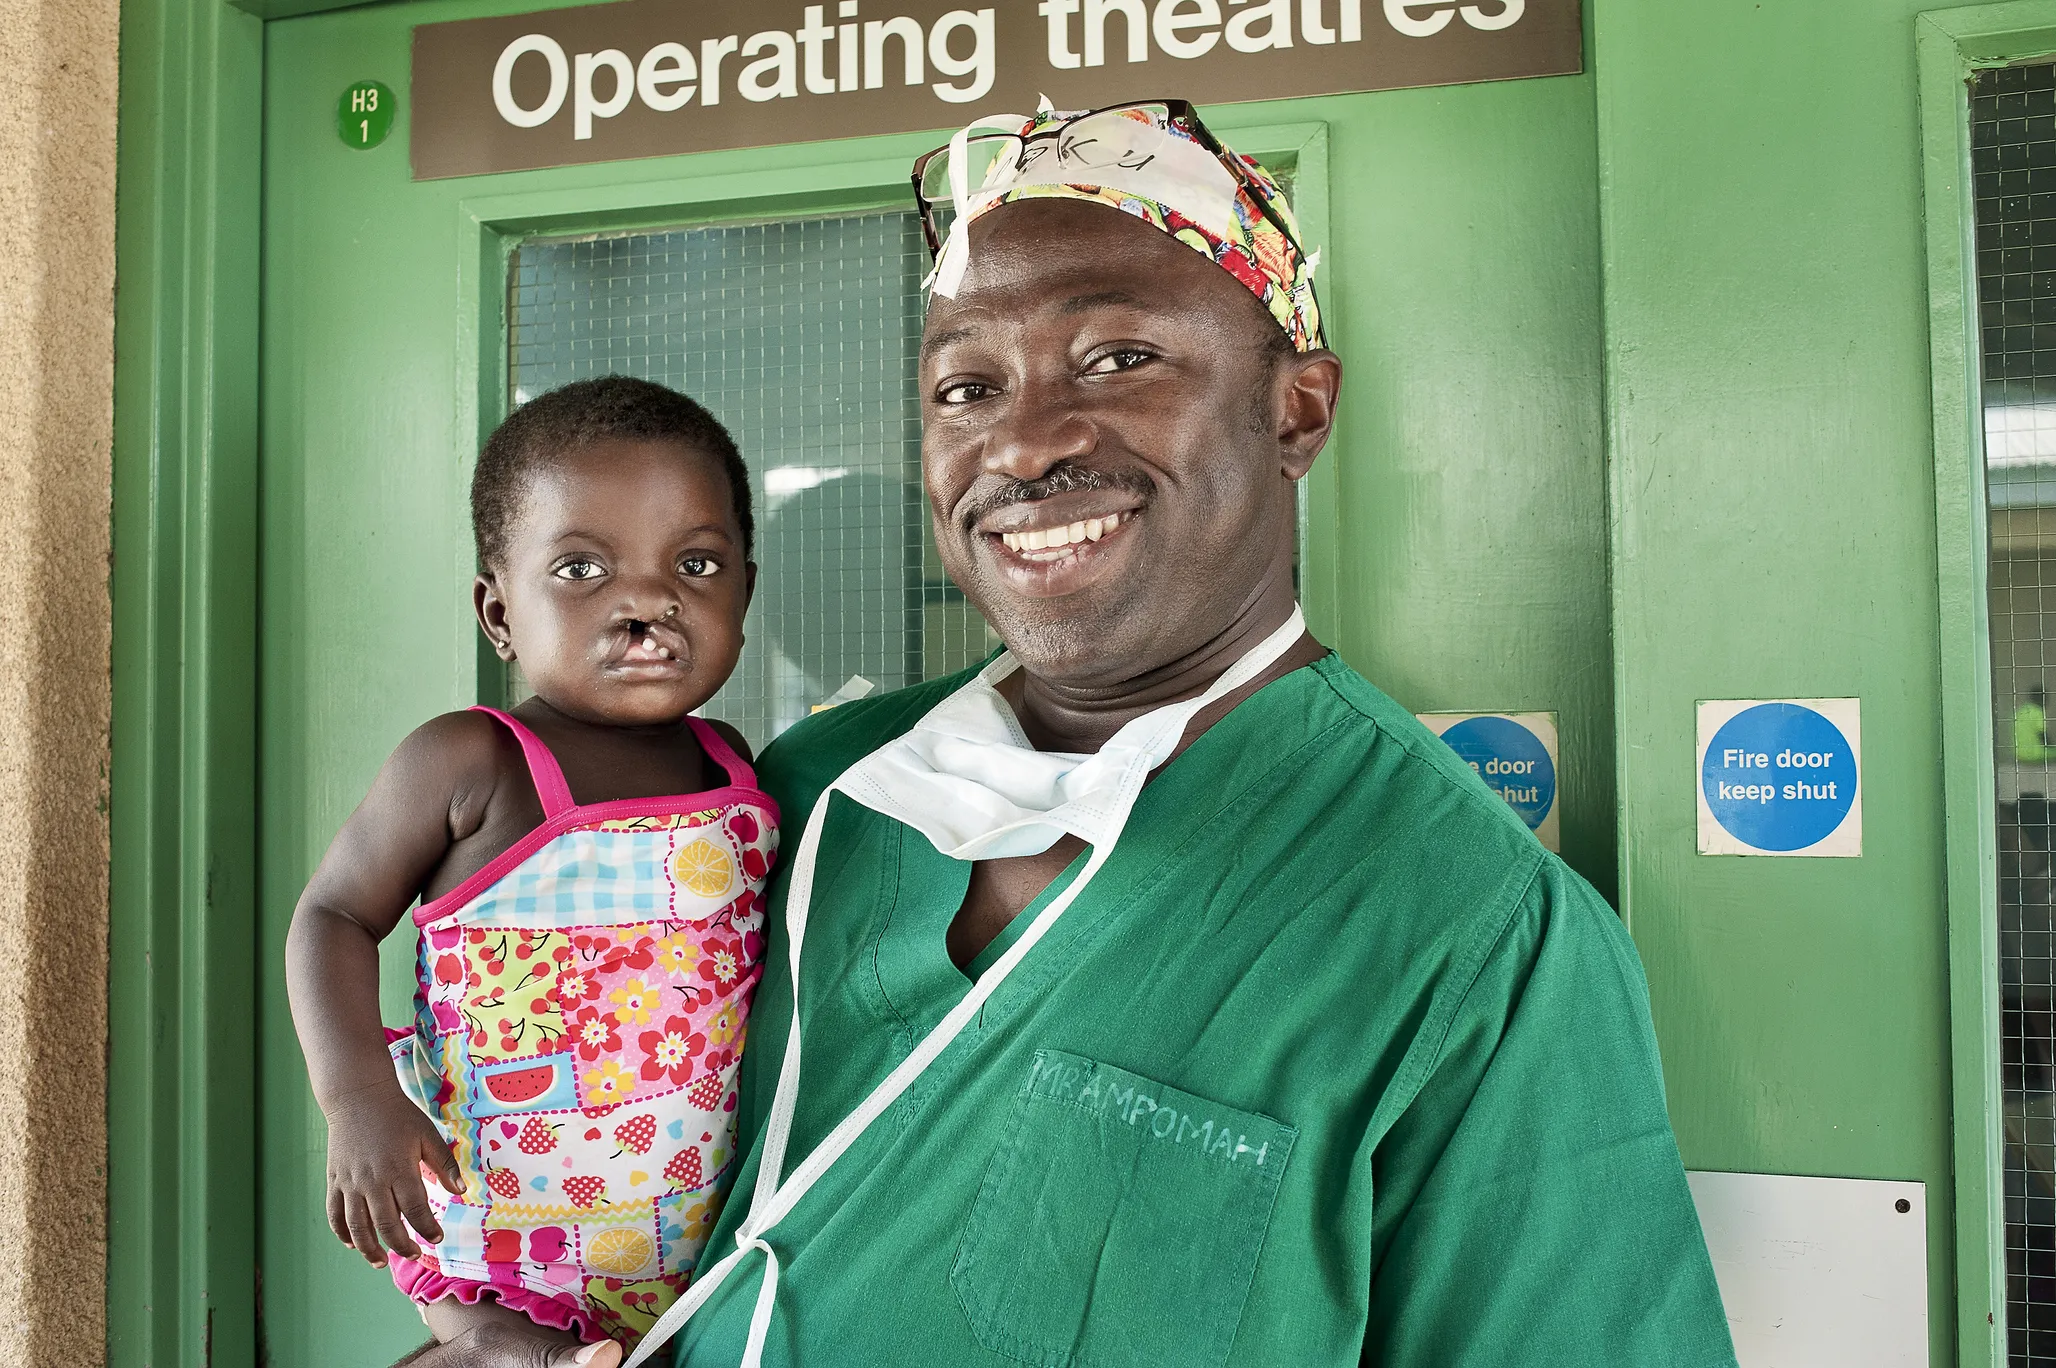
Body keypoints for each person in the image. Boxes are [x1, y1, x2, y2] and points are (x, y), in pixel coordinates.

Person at [632, 102, 1736, 1367]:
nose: (1025, 439)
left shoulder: (1471, 933)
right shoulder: (814, 792)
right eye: (964, 385)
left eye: (1118, 360)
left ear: (1296, 414)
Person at [283, 377, 779, 1368]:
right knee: (490, 1339)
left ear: (743, 593)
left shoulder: (732, 764)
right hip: (503, 1205)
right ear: (498, 611)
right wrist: (357, 1098)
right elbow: (333, 913)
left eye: (696, 562)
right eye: (583, 567)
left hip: (686, 1213)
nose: (648, 598)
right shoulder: (472, 760)